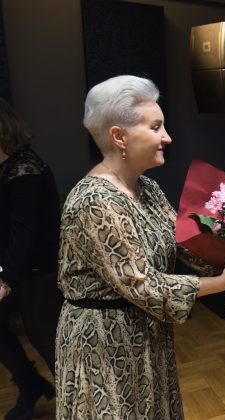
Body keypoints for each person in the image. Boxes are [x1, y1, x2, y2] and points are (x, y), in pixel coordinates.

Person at [55, 75, 225, 419]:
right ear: (120, 137)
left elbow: (186, 248)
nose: (167, 137)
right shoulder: (94, 201)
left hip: (144, 333)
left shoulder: (148, 189)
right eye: (156, 127)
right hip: (103, 340)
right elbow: (143, 284)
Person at [0, 97, 62, 420]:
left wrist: (5, 281)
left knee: (46, 339)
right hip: (16, 266)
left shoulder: (25, 170)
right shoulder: (6, 167)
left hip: (40, 269)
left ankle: (83, 401)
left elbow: (24, 235)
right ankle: (30, 384)